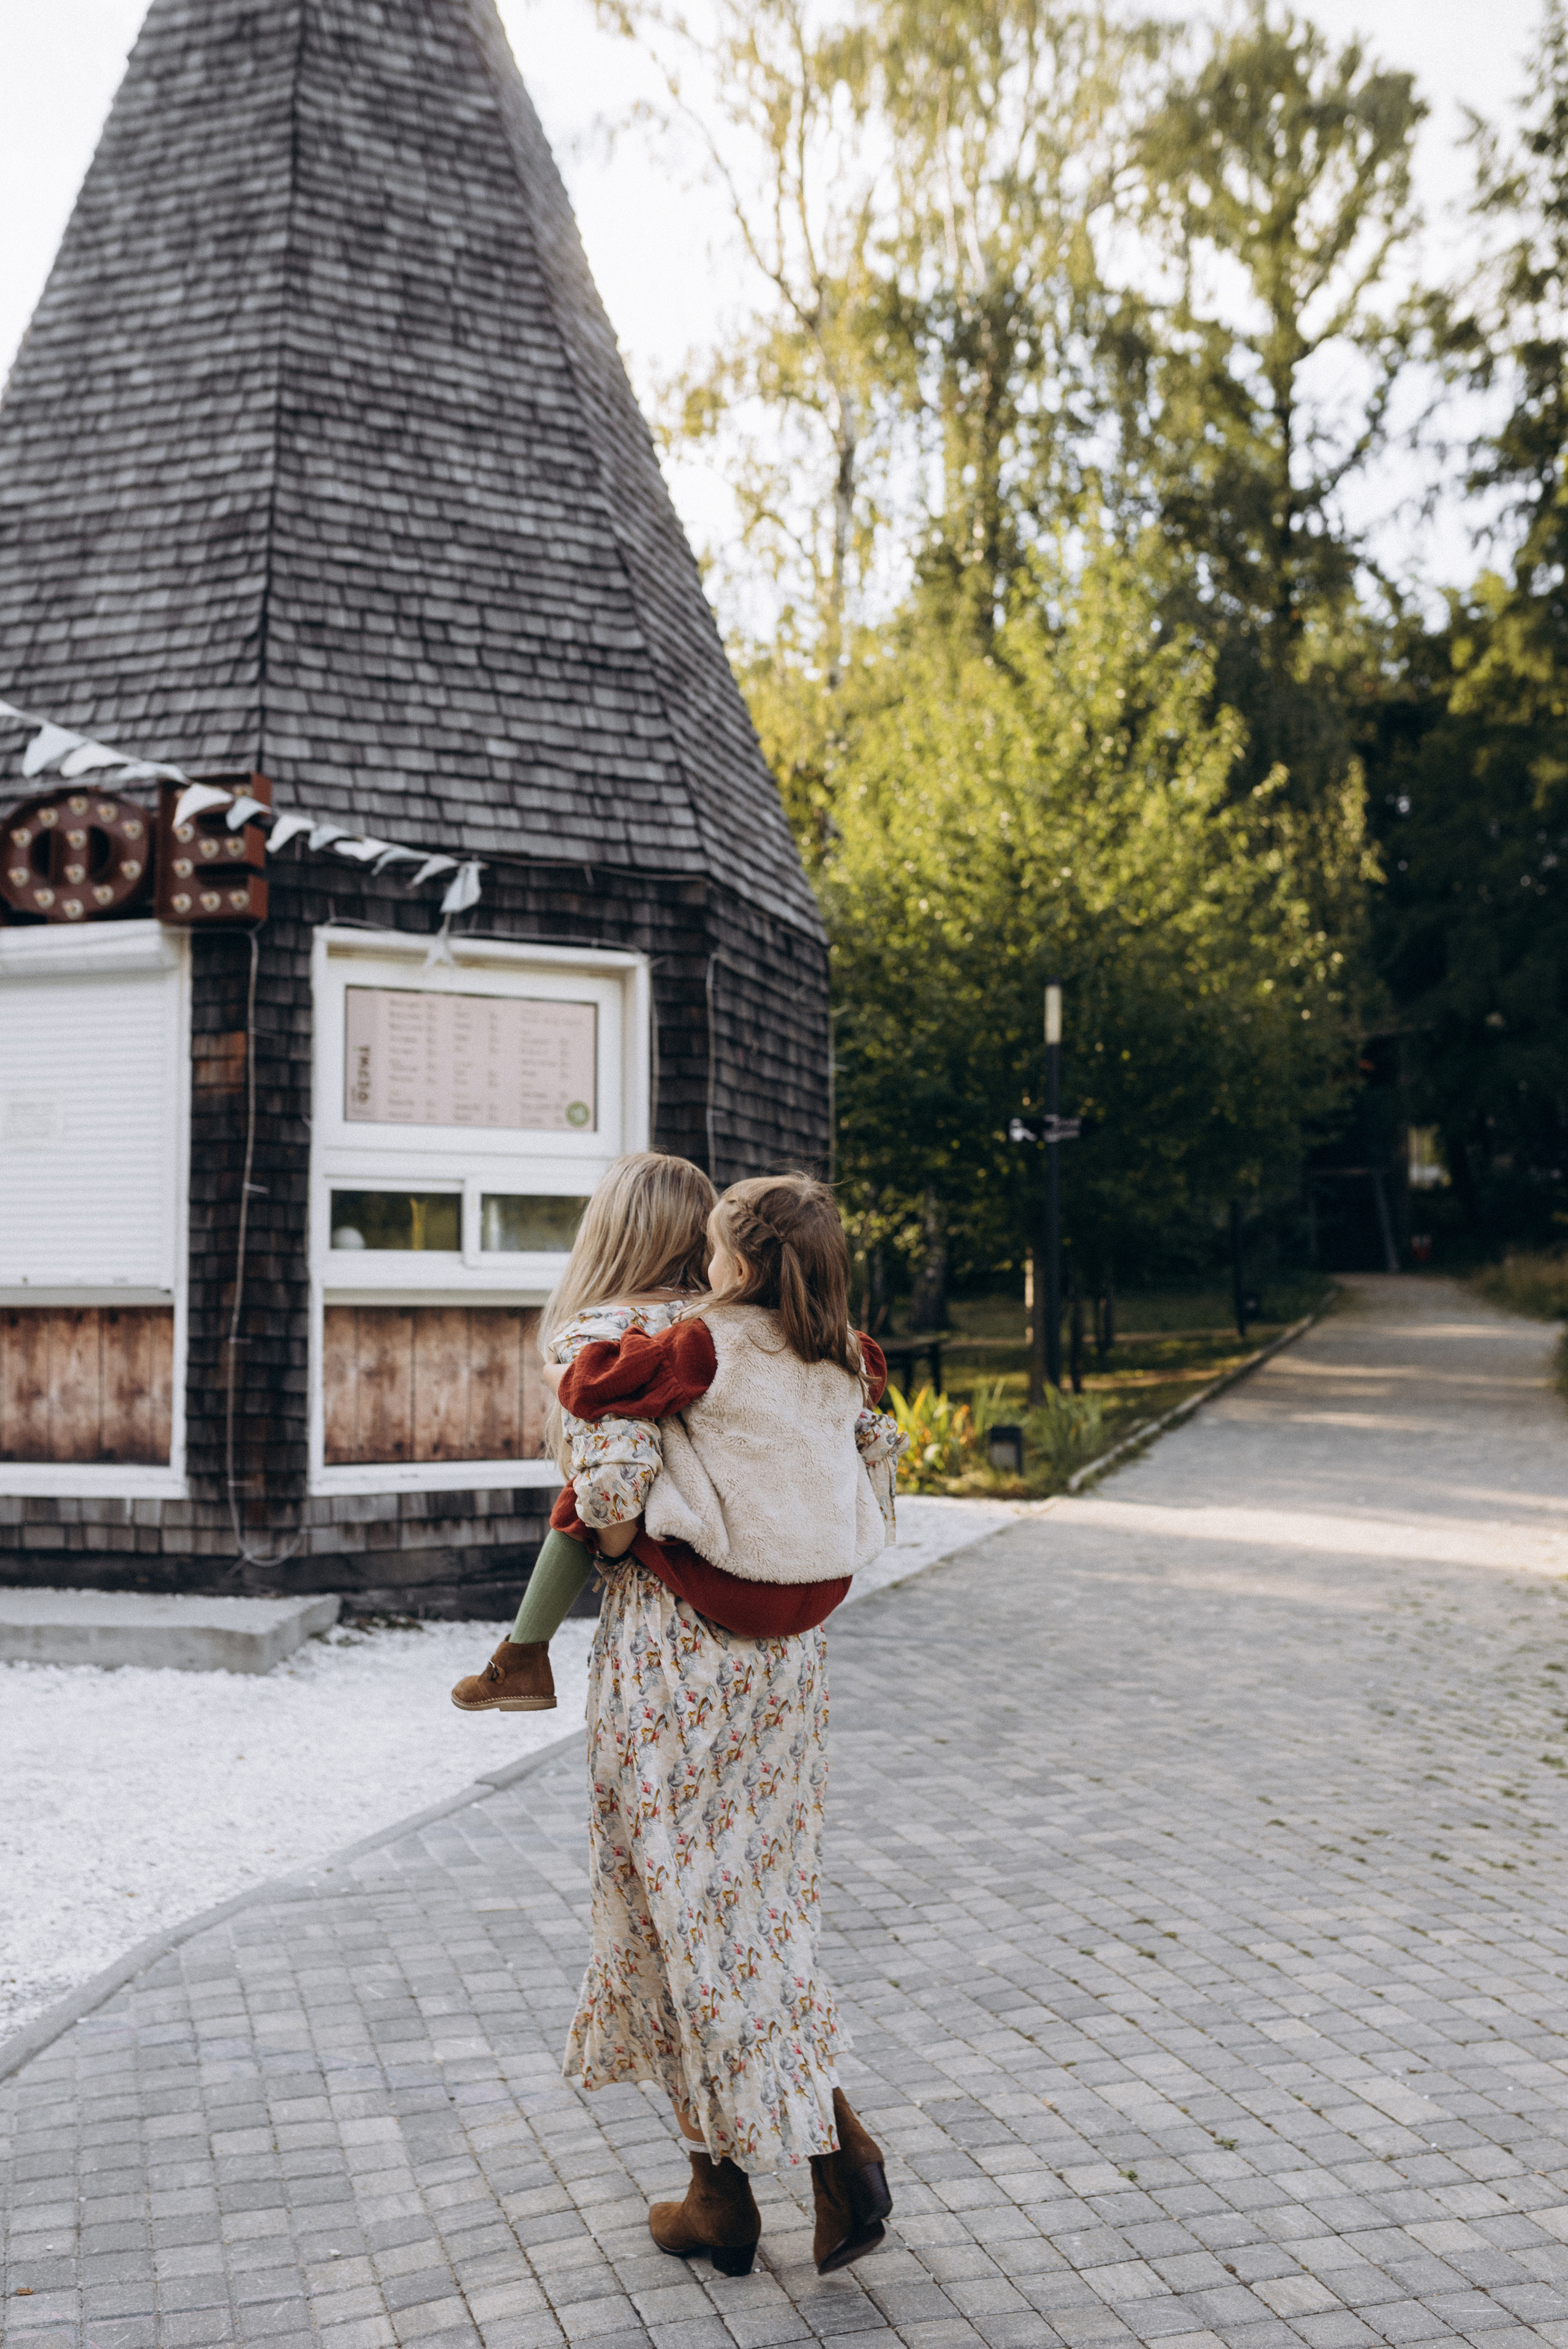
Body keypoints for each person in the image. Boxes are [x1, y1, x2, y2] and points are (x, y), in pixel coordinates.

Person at [543, 1171, 902, 2279]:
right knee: (753, 1907)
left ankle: (827, 2148)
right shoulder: (828, 1346)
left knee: (678, 1915)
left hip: (675, 1659)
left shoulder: (656, 1343)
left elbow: (610, 1515)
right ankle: (721, 2188)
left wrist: (600, 1517)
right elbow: (873, 1466)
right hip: (786, 1671)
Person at [450, 1151, 717, 1715]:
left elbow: (614, 1513)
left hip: (671, 1628)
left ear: (611, 1231)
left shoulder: (602, 1336)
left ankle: (522, 1656)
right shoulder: (733, 1323)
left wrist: (611, 1539)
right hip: (777, 1628)